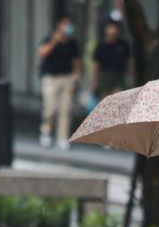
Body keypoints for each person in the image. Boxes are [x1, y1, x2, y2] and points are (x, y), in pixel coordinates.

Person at [38, 15, 81, 150]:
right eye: (65, 24)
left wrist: (76, 76)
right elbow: (42, 53)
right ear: (59, 25)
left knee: (66, 109)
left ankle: (62, 137)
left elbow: (76, 61)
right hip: (51, 78)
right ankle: (46, 132)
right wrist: (54, 41)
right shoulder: (49, 39)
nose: (67, 27)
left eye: (69, 24)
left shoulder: (72, 43)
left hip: (67, 78)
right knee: (50, 108)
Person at [91, 20, 130, 100]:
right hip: (104, 76)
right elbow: (96, 65)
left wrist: (129, 75)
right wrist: (94, 80)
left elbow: (128, 62)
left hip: (119, 75)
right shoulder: (101, 46)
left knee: (119, 98)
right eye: (110, 28)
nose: (113, 30)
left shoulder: (123, 45)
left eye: (115, 28)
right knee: (105, 99)